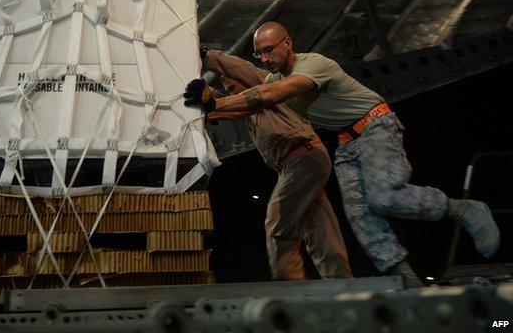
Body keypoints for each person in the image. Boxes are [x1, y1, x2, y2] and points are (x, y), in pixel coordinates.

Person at [184, 22, 500, 287]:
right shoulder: (264, 87)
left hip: (375, 126)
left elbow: (266, 91)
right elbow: (240, 93)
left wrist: (212, 82)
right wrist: (208, 83)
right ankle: (402, 277)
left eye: (269, 50)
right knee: (360, 217)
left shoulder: (311, 65)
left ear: (288, 43)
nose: (265, 59)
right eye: (259, 53)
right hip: (345, 143)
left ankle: (463, 209)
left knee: (383, 197)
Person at [190, 49, 353, 280]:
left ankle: (290, 288)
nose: (229, 90)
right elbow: (217, 105)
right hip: (301, 163)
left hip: (303, 157)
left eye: (233, 86)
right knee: (320, 229)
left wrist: (208, 56)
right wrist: (201, 95)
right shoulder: (247, 111)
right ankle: (342, 284)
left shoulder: (266, 85)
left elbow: (242, 70)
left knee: (278, 225)